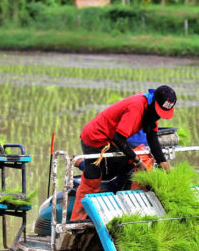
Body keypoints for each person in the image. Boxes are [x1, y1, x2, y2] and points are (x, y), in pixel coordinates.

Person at [70, 85, 176, 221]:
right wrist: (138, 161)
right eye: (159, 111)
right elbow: (119, 138)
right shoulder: (137, 107)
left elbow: (152, 137)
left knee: (137, 164)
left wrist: (163, 162)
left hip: (112, 141)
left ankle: (135, 212)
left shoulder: (151, 109)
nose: (159, 115)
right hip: (96, 139)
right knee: (94, 180)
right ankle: (76, 223)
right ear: (154, 102)